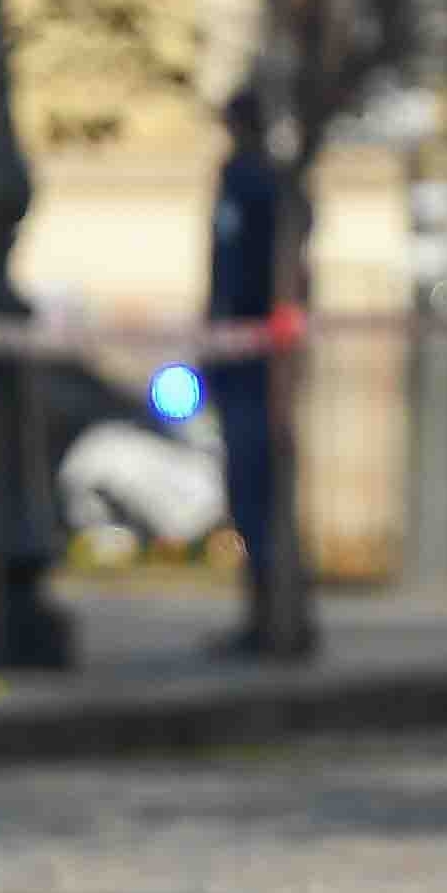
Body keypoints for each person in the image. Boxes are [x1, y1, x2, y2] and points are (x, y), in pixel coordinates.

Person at [202, 90, 298, 658]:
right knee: (247, 487)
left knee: (256, 487)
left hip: (256, 361)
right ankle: (262, 613)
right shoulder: (245, 182)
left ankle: (271, 617)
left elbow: (239, 276)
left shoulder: (256, 186)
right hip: (240, 357)